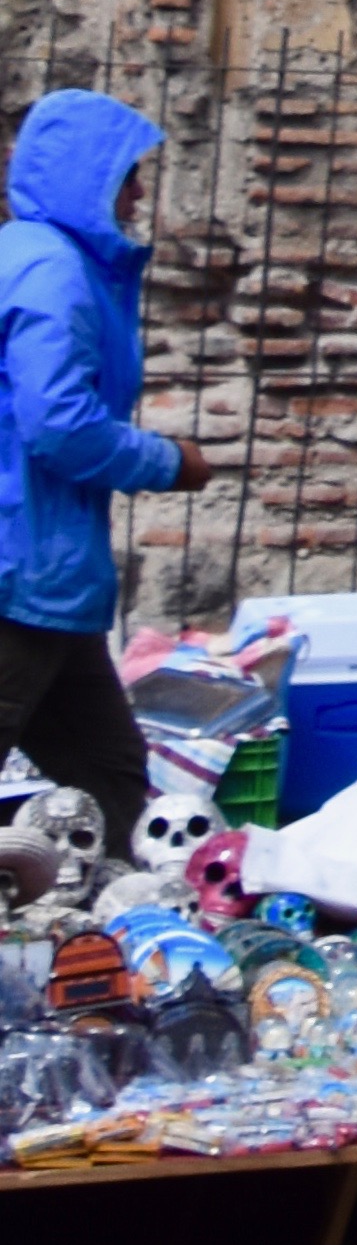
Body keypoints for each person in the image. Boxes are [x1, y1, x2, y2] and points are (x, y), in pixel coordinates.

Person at [0, 94, 199, 859]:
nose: (139, 194)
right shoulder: (52, 272)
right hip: (22, 575)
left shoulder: (41, 258)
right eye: (127, 177)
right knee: (107, 779)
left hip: (51, 579)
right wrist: (167, 461)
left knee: (110, 779)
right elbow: (59, 426)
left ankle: (125, 928)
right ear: (88, 180)